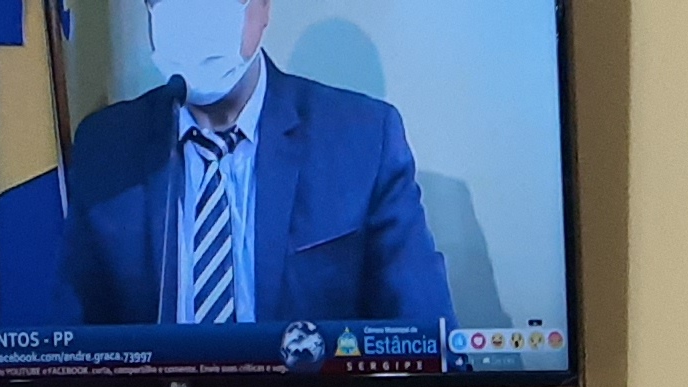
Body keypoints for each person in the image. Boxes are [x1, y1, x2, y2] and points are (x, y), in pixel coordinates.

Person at [60, 0, 454, 327]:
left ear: (263, 7)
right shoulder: (107, 146)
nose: (194, 17)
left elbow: (428, 335)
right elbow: (67, 342)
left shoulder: (363, 140)